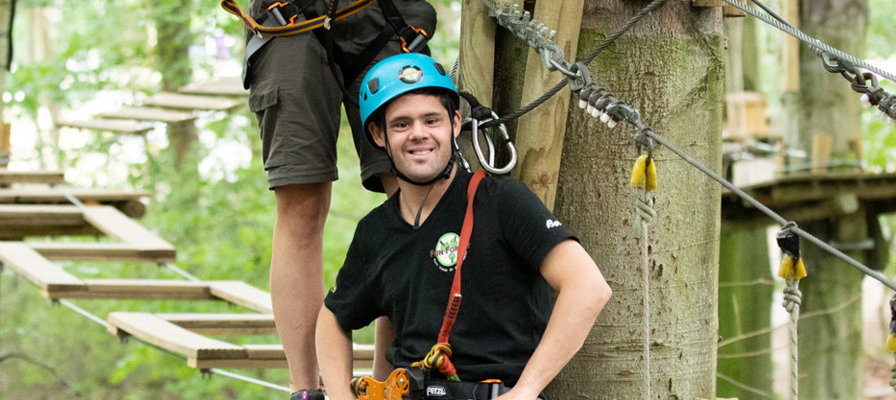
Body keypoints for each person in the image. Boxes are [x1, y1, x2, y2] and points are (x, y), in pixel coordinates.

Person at [315, 53, 612, 400]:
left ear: (455, 124)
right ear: (379, 134)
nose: (418, 134)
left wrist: (527, 391)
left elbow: (588, 287)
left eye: (431, 120)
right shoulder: (375, 232)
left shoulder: (501, 201)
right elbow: (333, 319)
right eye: (401, 124)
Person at [226, 0, 443, 398]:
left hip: (385, 13)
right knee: (302, 207)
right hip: (286, 19)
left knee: (417, 202)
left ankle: (390, 382)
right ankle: (306, 389)